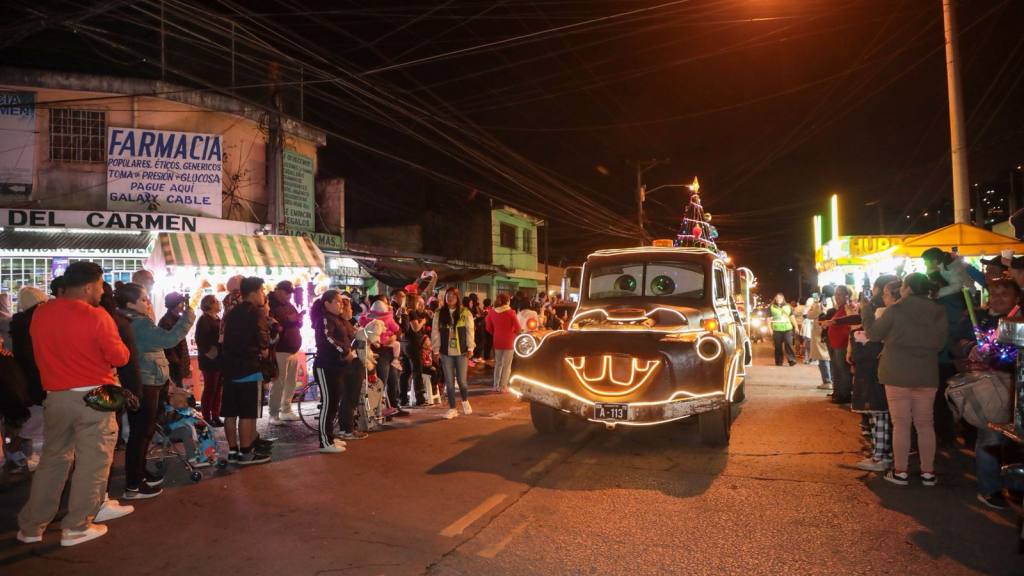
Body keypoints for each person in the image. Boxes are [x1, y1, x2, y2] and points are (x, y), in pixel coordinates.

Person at [17, 262, 130, 547]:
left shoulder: (40, 314)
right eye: (101, 285)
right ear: (90, 286)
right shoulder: (97, 316)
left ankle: (32, 526)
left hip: (56, 396)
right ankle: (77, 526)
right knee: (93, 462)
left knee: (53, 461)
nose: (103, 291)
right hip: (96, 394)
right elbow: (120, 357)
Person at [862, 273, 948, 487]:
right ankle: (928, 472)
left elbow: (873, 333)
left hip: (897, 372)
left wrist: (865, 311)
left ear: (907, 288)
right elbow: (941, 342)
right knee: (926, 425)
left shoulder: (896, 310)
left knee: (900, 424)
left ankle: (901, 472)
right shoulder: (938, 310)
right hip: (926, 373)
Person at [117, 282, 195, 499]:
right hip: (146, 382)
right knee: (141, 433)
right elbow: (168, 339)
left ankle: (140, 474)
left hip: (147, 380)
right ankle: (134, 484)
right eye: (143, 299)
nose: (148, 302)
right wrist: (188, 317)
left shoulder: (132, 320)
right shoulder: (138, 323)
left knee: (144, 432)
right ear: (131, 303)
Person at [953, 278, 1019, 509]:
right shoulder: (977, 318)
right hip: (988, 387)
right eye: (994, 293)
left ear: (1016, 298)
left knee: (1013, 442)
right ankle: (990, 488)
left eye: (1005, 294)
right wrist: (970, 347)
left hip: (1018, 389)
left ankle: (1013, 485)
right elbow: (956, 341)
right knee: (990, 438)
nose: (998, 298)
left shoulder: (1018, 320)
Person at [849, 276, 899, 472]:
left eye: (886, 293)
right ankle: (885, 456)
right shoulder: (893, 314)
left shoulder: (883, 314)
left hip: (879, 372)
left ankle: (881, 457)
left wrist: (857, 341)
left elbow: (872, 338)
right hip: (888, 372)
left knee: (880, 417)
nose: (883, 297)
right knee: (884, 418)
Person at [222, 277, 273, 465]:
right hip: (249, 367)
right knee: (248, 413)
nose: (264, 295)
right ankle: (247, 451)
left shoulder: (232, 313)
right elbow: (263, 342)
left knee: (230, 412)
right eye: (262, 291)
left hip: (230, 368)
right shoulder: (255, 313)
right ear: (253, 292)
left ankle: (233, 451)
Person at [311, 290, 364, 452]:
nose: (341, 304)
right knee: (328, 404)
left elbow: (348, 337)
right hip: (326, 366)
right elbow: (329, 339)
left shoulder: (337, 319)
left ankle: (330, 438)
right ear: (327, 303)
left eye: (342, 302)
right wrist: (345, 351)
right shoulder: (325, 319)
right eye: (338, 301)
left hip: (337, 367)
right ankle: (325, 442)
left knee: (334, 403)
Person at [431, 287, 475, 419]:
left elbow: (470, 330)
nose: (450, 298)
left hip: (462, 351)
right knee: (449, 382)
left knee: (462, 381)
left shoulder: (465, 312)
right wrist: (436, 350)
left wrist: (470, 348)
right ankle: (452, 408)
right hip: (445, 352)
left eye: (453, 296)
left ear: (457, 298)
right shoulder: (439, 313)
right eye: (448, 295)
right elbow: (435, 332)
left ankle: (465, 400)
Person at [359, 298, 405, 417]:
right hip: (379, 354)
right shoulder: (367, 321)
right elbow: (368, 337)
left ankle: (393, 406)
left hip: (390, 353)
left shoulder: (389, 319)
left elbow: (398, 331)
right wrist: (386, 341)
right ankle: (379, 409)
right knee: (381, 382)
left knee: (393, 381)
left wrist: (393, 338)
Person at [267, 281, 304, 423]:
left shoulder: (289, 305)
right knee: (278, 383)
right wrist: (288, 320)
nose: (289, 297)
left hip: (293, 349)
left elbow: (296, 323)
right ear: (279, 291)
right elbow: (271, 324)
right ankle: (274, 413)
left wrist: (298, 320)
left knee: (291, 383)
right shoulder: (270, 304)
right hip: (279, 349)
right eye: (287, 294)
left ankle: (286, 409)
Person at [821, 285, 855, 404]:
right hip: (835, 344)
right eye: (836, 294)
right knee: (836, 369)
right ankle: (838, 393)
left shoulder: (849, 307)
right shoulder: (839, 308)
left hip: (842, 343)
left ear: (847, 295)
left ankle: (845, 394)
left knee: (842, 369)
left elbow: (849, 320)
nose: (837, 297)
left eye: (840, 294)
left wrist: (829, 322)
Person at [195, 295, 223, 427]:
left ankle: (216, 415)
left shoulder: (217, 319)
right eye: (216, 302)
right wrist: (211, 352)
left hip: (219, 359)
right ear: (210, 304)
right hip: (210, 360)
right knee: (210, 388)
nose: (219, 303)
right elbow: (201, 340)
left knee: (217, 389)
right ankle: (207, 416)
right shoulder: (204, 320)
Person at [486, 294, 521, 393]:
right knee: (507, 365)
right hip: (509, 341)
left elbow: (488, 327)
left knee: (498, 364)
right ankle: (503, 386)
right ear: (507, 301)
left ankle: (495, 385)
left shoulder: (492, 312)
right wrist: (512, 331)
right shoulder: (511, 312)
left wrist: (496, 332)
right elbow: (518, 328)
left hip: (497, 340)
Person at [158, 292, 192, 388]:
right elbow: (168, 345)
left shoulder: (176, 319)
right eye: (181, 303)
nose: (183, 305)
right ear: (175, 305)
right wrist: (176, 362)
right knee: (175, 392)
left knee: (178, 389)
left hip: (178, 361)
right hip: (173, 363)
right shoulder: (167, 321)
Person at [768, 293, 797, 367]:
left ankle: (791, 360)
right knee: (778, 346)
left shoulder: (788, 307)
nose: (778, 299)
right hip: (777, 329)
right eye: (777, 298)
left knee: (789, 344)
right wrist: (770, 329)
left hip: (787, 328)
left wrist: (796, 327)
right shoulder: (771, 307)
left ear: (783, 299)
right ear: (775, 299)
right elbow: (768, 319)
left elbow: (792, 317)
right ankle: (779, 361)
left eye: (780, 298)